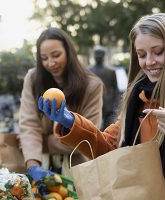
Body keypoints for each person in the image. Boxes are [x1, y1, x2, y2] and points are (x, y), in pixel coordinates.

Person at [38, 13, 165, 199]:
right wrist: (71, 122)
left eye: (158, 51)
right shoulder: (138, 99)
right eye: (142, 54)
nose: (149, 61)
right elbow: (111, 150)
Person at [18, 27, 103, 190]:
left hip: (77, 169)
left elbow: (86, 139)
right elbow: (28, 125)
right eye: (44, 58)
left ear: (69, 52)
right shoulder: (33, 79)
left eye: (56, 55)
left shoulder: (92, 86)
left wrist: (43, 140)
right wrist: (33, 166)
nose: (50, 63)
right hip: (40, 163)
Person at [90, 45, 120, 129]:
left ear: (104, 55)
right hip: (93, 103)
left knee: (108, 130)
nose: (98, 56)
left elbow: (115, 89)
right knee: (94, 128)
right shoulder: (89, 71)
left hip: (108, 106)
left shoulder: (111, 71)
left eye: (100, 54)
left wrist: (115, 105)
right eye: (96, 54)